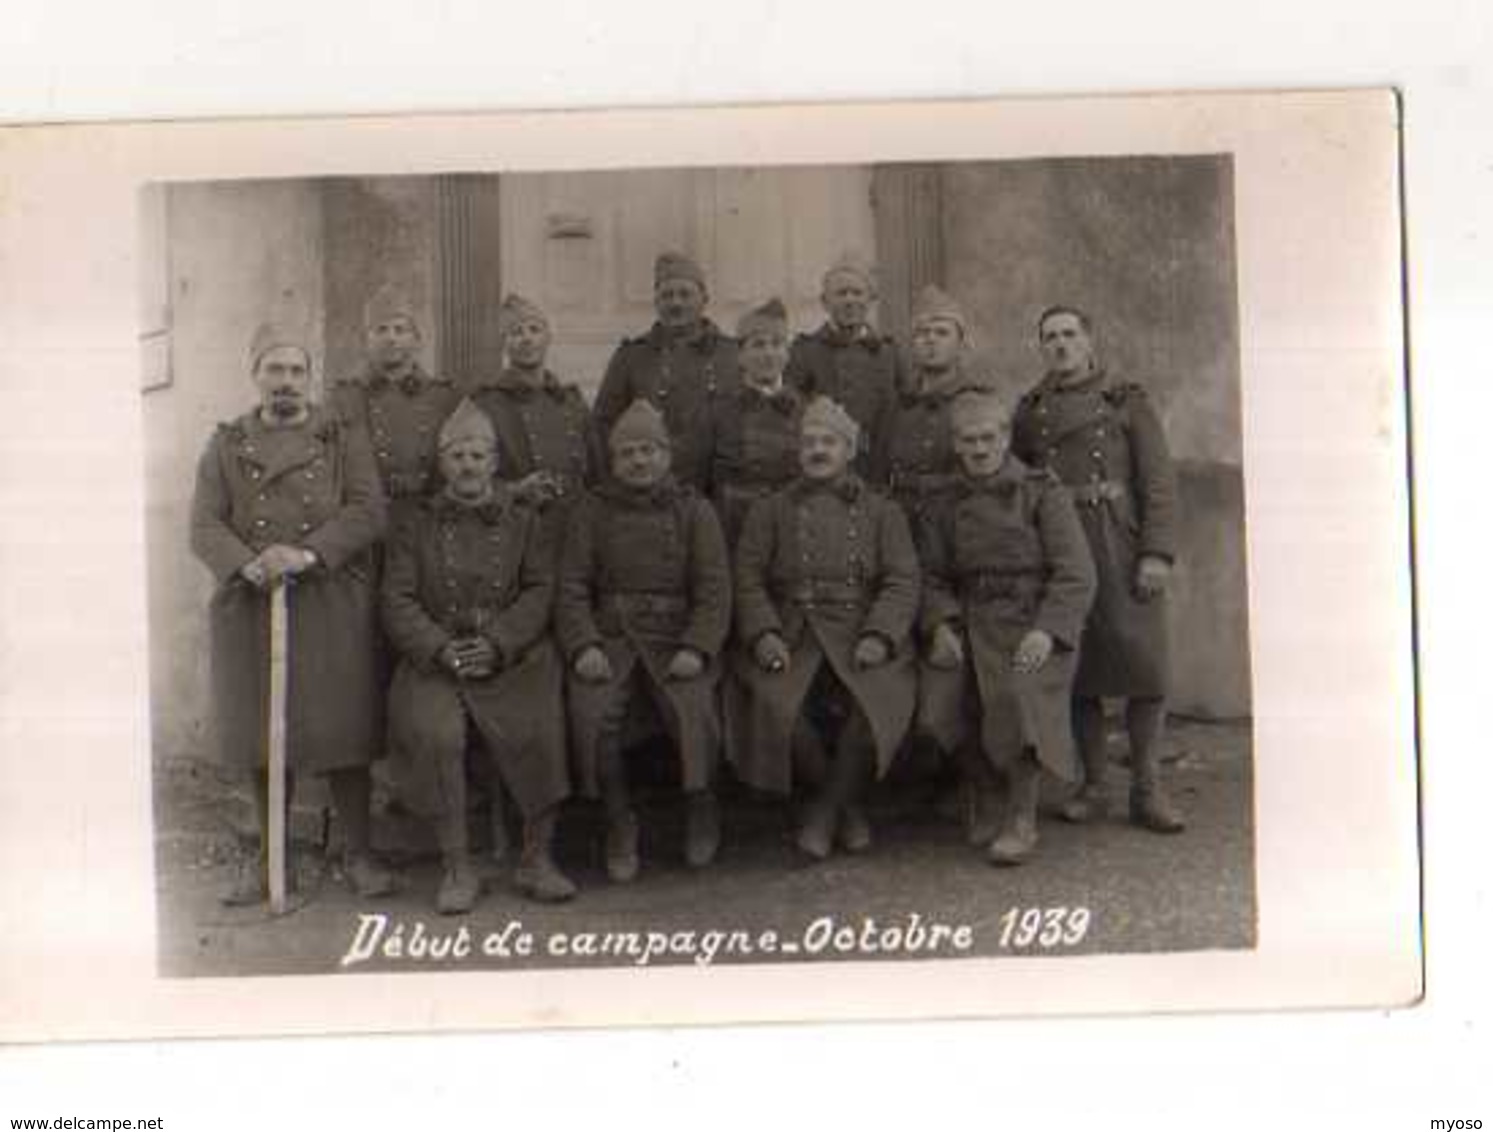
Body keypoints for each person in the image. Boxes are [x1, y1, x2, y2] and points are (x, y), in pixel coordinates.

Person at [190, 321, 397, 905]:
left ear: (311, 379)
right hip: (251, 599)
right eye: (274, 370)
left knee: (343, 726)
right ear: (255, 375)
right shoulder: (226, 444)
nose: (286, 382)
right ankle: (269, 859)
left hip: (327, 595)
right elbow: (203, 525)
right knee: (261, 731)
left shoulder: (341, 437)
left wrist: (306, 553)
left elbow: (368, 512)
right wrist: (248, 562)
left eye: (296, 371)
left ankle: (358, 853)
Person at [381, 399, 576, 913]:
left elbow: (540, 590)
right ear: (442, 464)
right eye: (457, 456)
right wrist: (440, 649)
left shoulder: (524, 520)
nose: (468, 465)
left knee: (539, 720)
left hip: (511, 654)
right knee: (437, 733)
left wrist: (499, 643)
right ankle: (457, 866)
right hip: (438, 656)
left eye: (478, 455)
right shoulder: (414, 524)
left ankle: (537, 858)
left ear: (494, 463)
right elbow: (396, 598)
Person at [1011, 305, 1184, 833]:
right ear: (1040, 347)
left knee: (1143, 665)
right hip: (1063, 546)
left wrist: (1156, 552)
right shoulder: (1031, 410)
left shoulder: (1126, 401)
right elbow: (1019, 481)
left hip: (1119, 539)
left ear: (1090, 341)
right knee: (1082, 669)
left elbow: (1157, 481)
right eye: (1050, 337)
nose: (1060, 345)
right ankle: (1095, 783)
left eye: (1069, 334)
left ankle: (1147, 787)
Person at [729, 396, 920, 860]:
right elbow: (747, 578)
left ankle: (824, 813)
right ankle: (844, 808)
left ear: (849, 450)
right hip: (792, 626)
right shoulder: (770, 509)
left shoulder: (882, 511)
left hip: (860, 626)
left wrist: (879, 635)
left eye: (829, 442)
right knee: (778, 706)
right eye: (809, 442)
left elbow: (902, 579)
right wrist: (764, 632)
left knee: (871, 706)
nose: (818, 450)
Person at [556, 400, 732, 882]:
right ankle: (618, 822)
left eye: (649, 451)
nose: (639, 461)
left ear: (667, 455)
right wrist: (584, 645)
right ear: (612, 461)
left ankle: (702, 806)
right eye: (628, 453)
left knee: (694, 711)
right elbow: (571, 587)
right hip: (612, 637)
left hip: (677, 637)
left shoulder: (695, 510)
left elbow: (715, 590)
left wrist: (697, 647)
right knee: (594, 714)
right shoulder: (591, 510)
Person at [918, 390, 1096, 864]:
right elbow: (931, 575)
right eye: (968, 440)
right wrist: (940, 624)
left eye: (987, 438)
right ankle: (984, 788)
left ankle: (1022, 815)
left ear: (1005, 438)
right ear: (955, 444)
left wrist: (1048, 630)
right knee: (937, 702)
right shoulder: (942, 500)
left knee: (1019, 697)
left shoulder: (1041, 491)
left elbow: (1076, 571)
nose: (978, 450)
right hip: (971, 619)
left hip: (1029, 621)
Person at [591, 251, 740, 493]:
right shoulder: (631, 357)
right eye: (667, 295)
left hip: (717, 494)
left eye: (685, 294)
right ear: (656, 301)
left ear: (704, 298)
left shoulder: (732, 355)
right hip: (648, 495)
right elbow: (602, 426)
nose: (676, 303)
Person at [329, 283, 461, 509]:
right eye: (381, 329)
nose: (391, 338)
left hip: (427, 519)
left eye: (400, 330)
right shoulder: (343, 398)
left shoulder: (443, 398)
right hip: (364, 522)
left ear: (417, 340)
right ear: (366, 341)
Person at [870, 285, 989, 533]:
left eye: (942, 333)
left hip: (958, 523)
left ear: (960, 344)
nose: (930, 339)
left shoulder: (980, 401)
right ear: (912, 344)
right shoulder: (895, 405)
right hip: (900, 524)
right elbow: (878, 475)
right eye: (922, 333)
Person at [470, 292, 602, 512]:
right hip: (518, 527)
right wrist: (515, 490)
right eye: (516, 332)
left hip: (576, 527)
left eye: (534, 329)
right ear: (504, 344)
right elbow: (469, 479)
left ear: (548, 337)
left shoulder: (571, 402)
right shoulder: (486, 404)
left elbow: (598, 476)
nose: (527, 339)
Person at [786, 252, 901, 475]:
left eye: (857, 293)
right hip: (823, 466)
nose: (850, 300)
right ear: (825, 302)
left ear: (871, 299)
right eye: (841, 294)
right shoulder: (805, 351)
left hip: (877, 466)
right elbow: (793, 413)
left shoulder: (889, 353)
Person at [710, 297, 804, 549]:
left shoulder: (805, 409)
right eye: (758, 345)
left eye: (777, 344)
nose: (768, 354)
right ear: (740, 355)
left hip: (792, 527)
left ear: (788, 353)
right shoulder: (718, 410)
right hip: (735, 528)